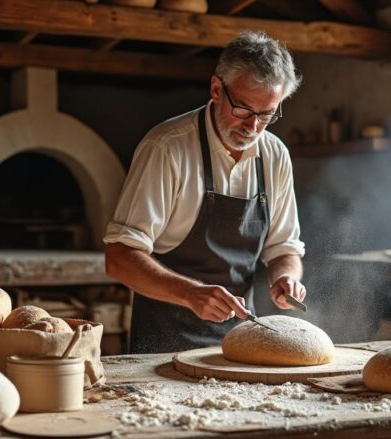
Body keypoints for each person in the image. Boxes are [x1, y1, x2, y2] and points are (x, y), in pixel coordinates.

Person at [104, 31, 306, 354]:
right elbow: (119, 258)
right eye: (243, 109)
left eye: (266, 114)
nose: (253, 127)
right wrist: (191, 294)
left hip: (238, 345)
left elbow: (284, 248)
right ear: (216, 89)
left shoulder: (275, 155)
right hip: (163, 346)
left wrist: (285, 277)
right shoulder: (166, 149)